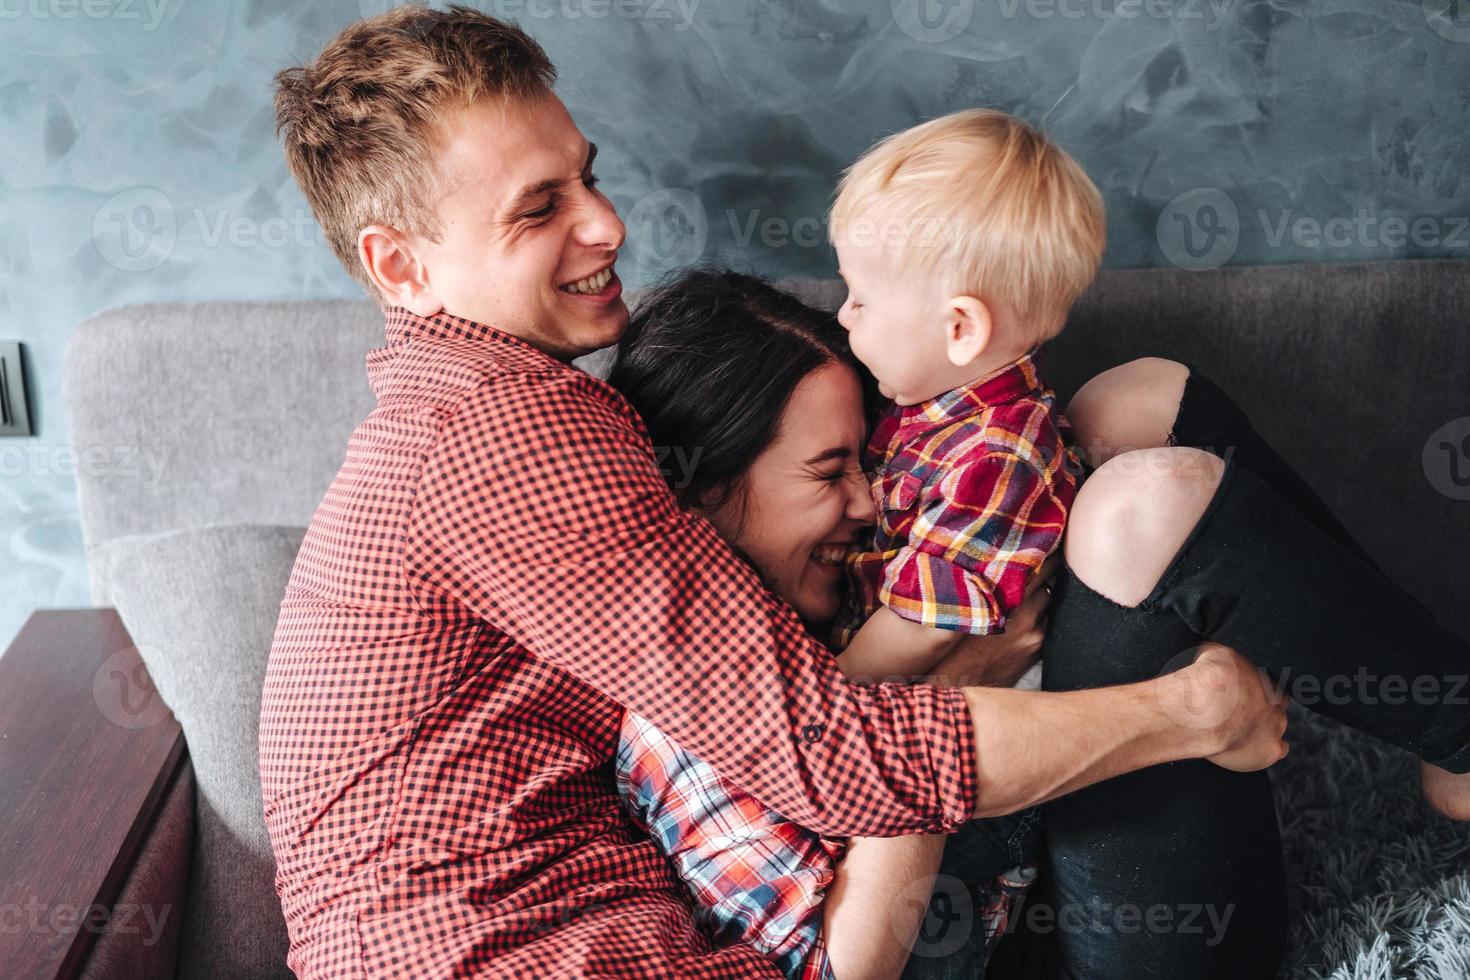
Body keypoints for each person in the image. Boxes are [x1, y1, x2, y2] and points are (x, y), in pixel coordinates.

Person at [259, 6, 1289, 977]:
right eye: (540, 208)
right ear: (401, 269)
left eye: (587, 178)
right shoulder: (498, 431)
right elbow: (831, 755)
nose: (609, 223)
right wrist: (1189, 712)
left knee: (1135, 424)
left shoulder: (480, 418)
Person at [614, 107, 1106, 980]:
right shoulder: (690, 702)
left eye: (872, 459)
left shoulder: (879, 574)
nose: (869, 502)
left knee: (1141, 428)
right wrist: (951, 698)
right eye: (829, 470)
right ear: (702, 488)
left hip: (1059, 896)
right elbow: (830, 970)